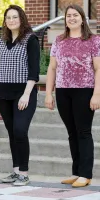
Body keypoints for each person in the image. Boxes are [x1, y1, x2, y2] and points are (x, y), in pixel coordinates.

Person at [45, 4, 100, 188]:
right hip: (63, 90)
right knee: (71, 133)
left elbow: (98, 69)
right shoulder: (59, 41)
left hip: (85, 90)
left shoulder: (94, 40)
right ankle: (76, 172)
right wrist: (48, 94)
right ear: (65, 20)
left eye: (75, 15)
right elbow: (52, 68)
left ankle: (86, 174)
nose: (72, 18)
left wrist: (97, 94)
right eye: (68, 15)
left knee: (83, 132)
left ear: (82, 18)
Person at [0, 5, 40, 186]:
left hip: (23, 93)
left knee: (20, 130)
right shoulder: (2, 39)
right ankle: (15, 171)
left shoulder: (30, 39)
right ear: (5, 21)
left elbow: (34, 71)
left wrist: (26, 94)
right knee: (12, 133)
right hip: (3, 93)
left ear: (22, 19)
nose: (11, 20)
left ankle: (24, 174)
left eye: (15, 17)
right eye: (8, 17)